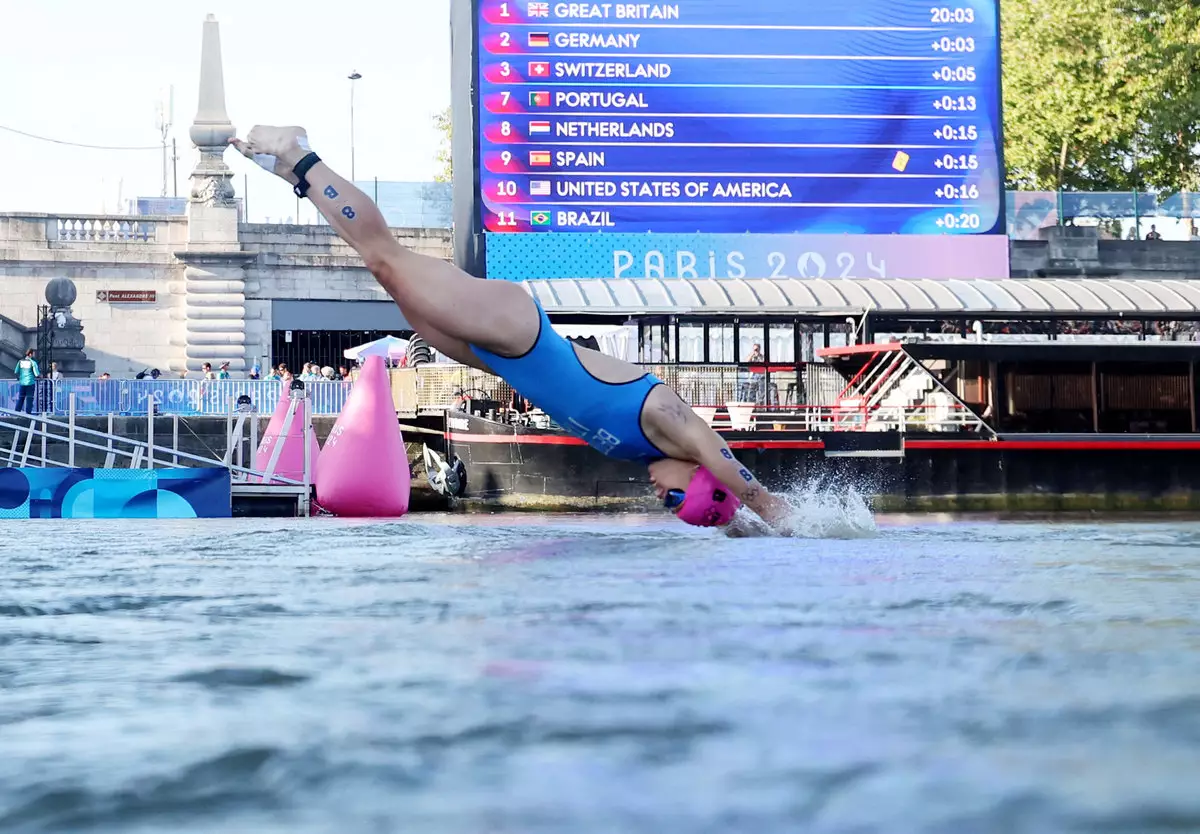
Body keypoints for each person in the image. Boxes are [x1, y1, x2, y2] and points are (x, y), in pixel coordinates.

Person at [229, 126, 792, 531]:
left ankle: (294, 175)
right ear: (695, 476)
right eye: (674, 499)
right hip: (515, 331)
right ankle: (298, 153)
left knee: (390, 282)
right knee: (387, 259)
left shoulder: (650, 455)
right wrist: (770, 507)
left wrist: (736, 525)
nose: (658, 497)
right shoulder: (671, 423)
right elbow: (722, 457)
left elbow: (715, 491)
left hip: (496, 356)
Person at [13, 349, 39, 414]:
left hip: (22, 383)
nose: (33, 355)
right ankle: (28, 415)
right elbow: (36, 374)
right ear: (30, 354)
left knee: (21, 399)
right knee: (29, 400)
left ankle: (16, 414)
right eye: (33, 354)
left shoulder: (20, 362)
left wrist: (19, 378)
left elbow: (16, 372)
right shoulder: (33, 362)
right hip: (30, 383)